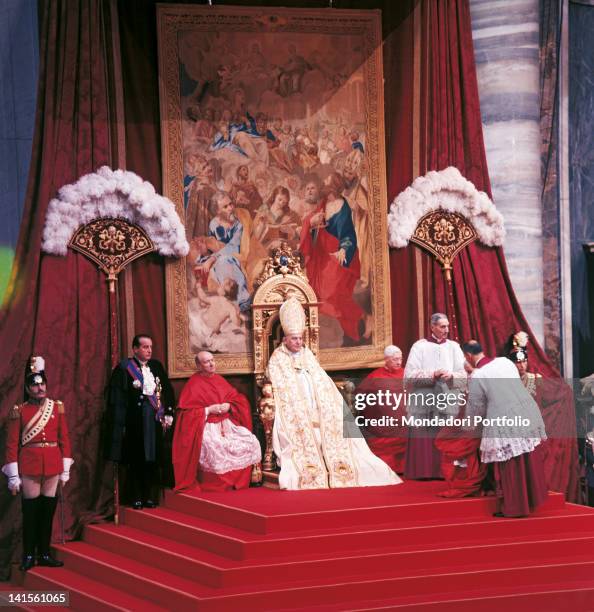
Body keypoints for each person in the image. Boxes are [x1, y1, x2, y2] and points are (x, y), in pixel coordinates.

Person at [266, 297, 402, 490]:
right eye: (294, 339)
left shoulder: (307, 355)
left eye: (300, 338)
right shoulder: (277, 358)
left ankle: (340, 467)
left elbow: (322, 380)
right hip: (295, 410)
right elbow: (278, 381)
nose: (299, 342)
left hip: (317, 406)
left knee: (337, 415)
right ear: (285, 339)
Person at [2, 356, 74, 571]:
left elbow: (64, 439)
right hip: (30, 465)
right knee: (31, 512)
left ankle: (43, 553)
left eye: (42, 383)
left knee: (47, 511)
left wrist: (65, 467)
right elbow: (12, 444)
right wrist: (13, 475)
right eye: (35, 384)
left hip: (52, 464)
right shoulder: (20, 411)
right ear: (28, 387)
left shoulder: (56, 407)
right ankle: (28, 555)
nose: (40, 388)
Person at [462, 340, 548, 517]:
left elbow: (476, 407)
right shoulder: (505, 361)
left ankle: (515, 507)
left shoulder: (479, 376)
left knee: (510, 465)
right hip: (525, 411)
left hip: (503, 419)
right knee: (526, 458)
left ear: (468, 356)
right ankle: (530, 500)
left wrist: (467, 425)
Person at [505, 331, 580, 503]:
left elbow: (557, 394)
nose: (521, 365)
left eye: (524, 361)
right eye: (517, 362)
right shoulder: (506, 382)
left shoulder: (536, 379)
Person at [172, 351, 261, 492]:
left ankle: (244, 479)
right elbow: (186, 414)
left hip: (227, 424)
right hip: (206, 427)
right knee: (215, 445)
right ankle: (220, 484)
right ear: (199, 365)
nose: (212, 364)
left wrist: (229, 406)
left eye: (212, 360)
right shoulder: (193, 384)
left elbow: (238, 399)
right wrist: (207, 410)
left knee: (249, 440)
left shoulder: (219, 379)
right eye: (207, 362)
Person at [105, 335, 175, 509]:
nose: (149, 350)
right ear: (135, 349)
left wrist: (168, 413)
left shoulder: (156, 366)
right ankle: (135, 496)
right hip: (135, 421)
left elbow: (167, 390)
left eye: (150, 347)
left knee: (153, 458)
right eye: (145, 347)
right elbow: (117, 399)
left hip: (154, 419)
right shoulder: (124, 368)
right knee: (137, 458)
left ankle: (150, 496)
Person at [299, 172, 364, 342]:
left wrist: (344, 249)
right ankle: (335, 333)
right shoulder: (323, 203)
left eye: (327, 182)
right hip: (322, 256)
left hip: (338, 254)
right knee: (319, 295)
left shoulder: (342, 205)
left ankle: (360, 320)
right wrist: (311, 223)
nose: (324, 185)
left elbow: (348, 233)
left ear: (334, 184)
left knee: (331, 294)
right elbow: (311, 223)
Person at [403, 313, 466, 479]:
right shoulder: (419, 347)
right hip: (424, 398)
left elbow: (465, 374)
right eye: (442, 327)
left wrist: (451, 376)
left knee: (445, 433)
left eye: (447, 326)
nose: (446, 330)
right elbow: (409, 375)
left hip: (447, 398)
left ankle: (446, 471)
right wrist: (433, 374)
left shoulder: (454, 347)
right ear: (432, 327)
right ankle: (423, 472)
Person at [358, 345, 408, 473]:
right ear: (386, 359)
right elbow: (361, 397)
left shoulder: (407, 374)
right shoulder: (375, 377)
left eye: (400, 359)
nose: (398, 362)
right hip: (384, 423)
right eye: (394, 359)